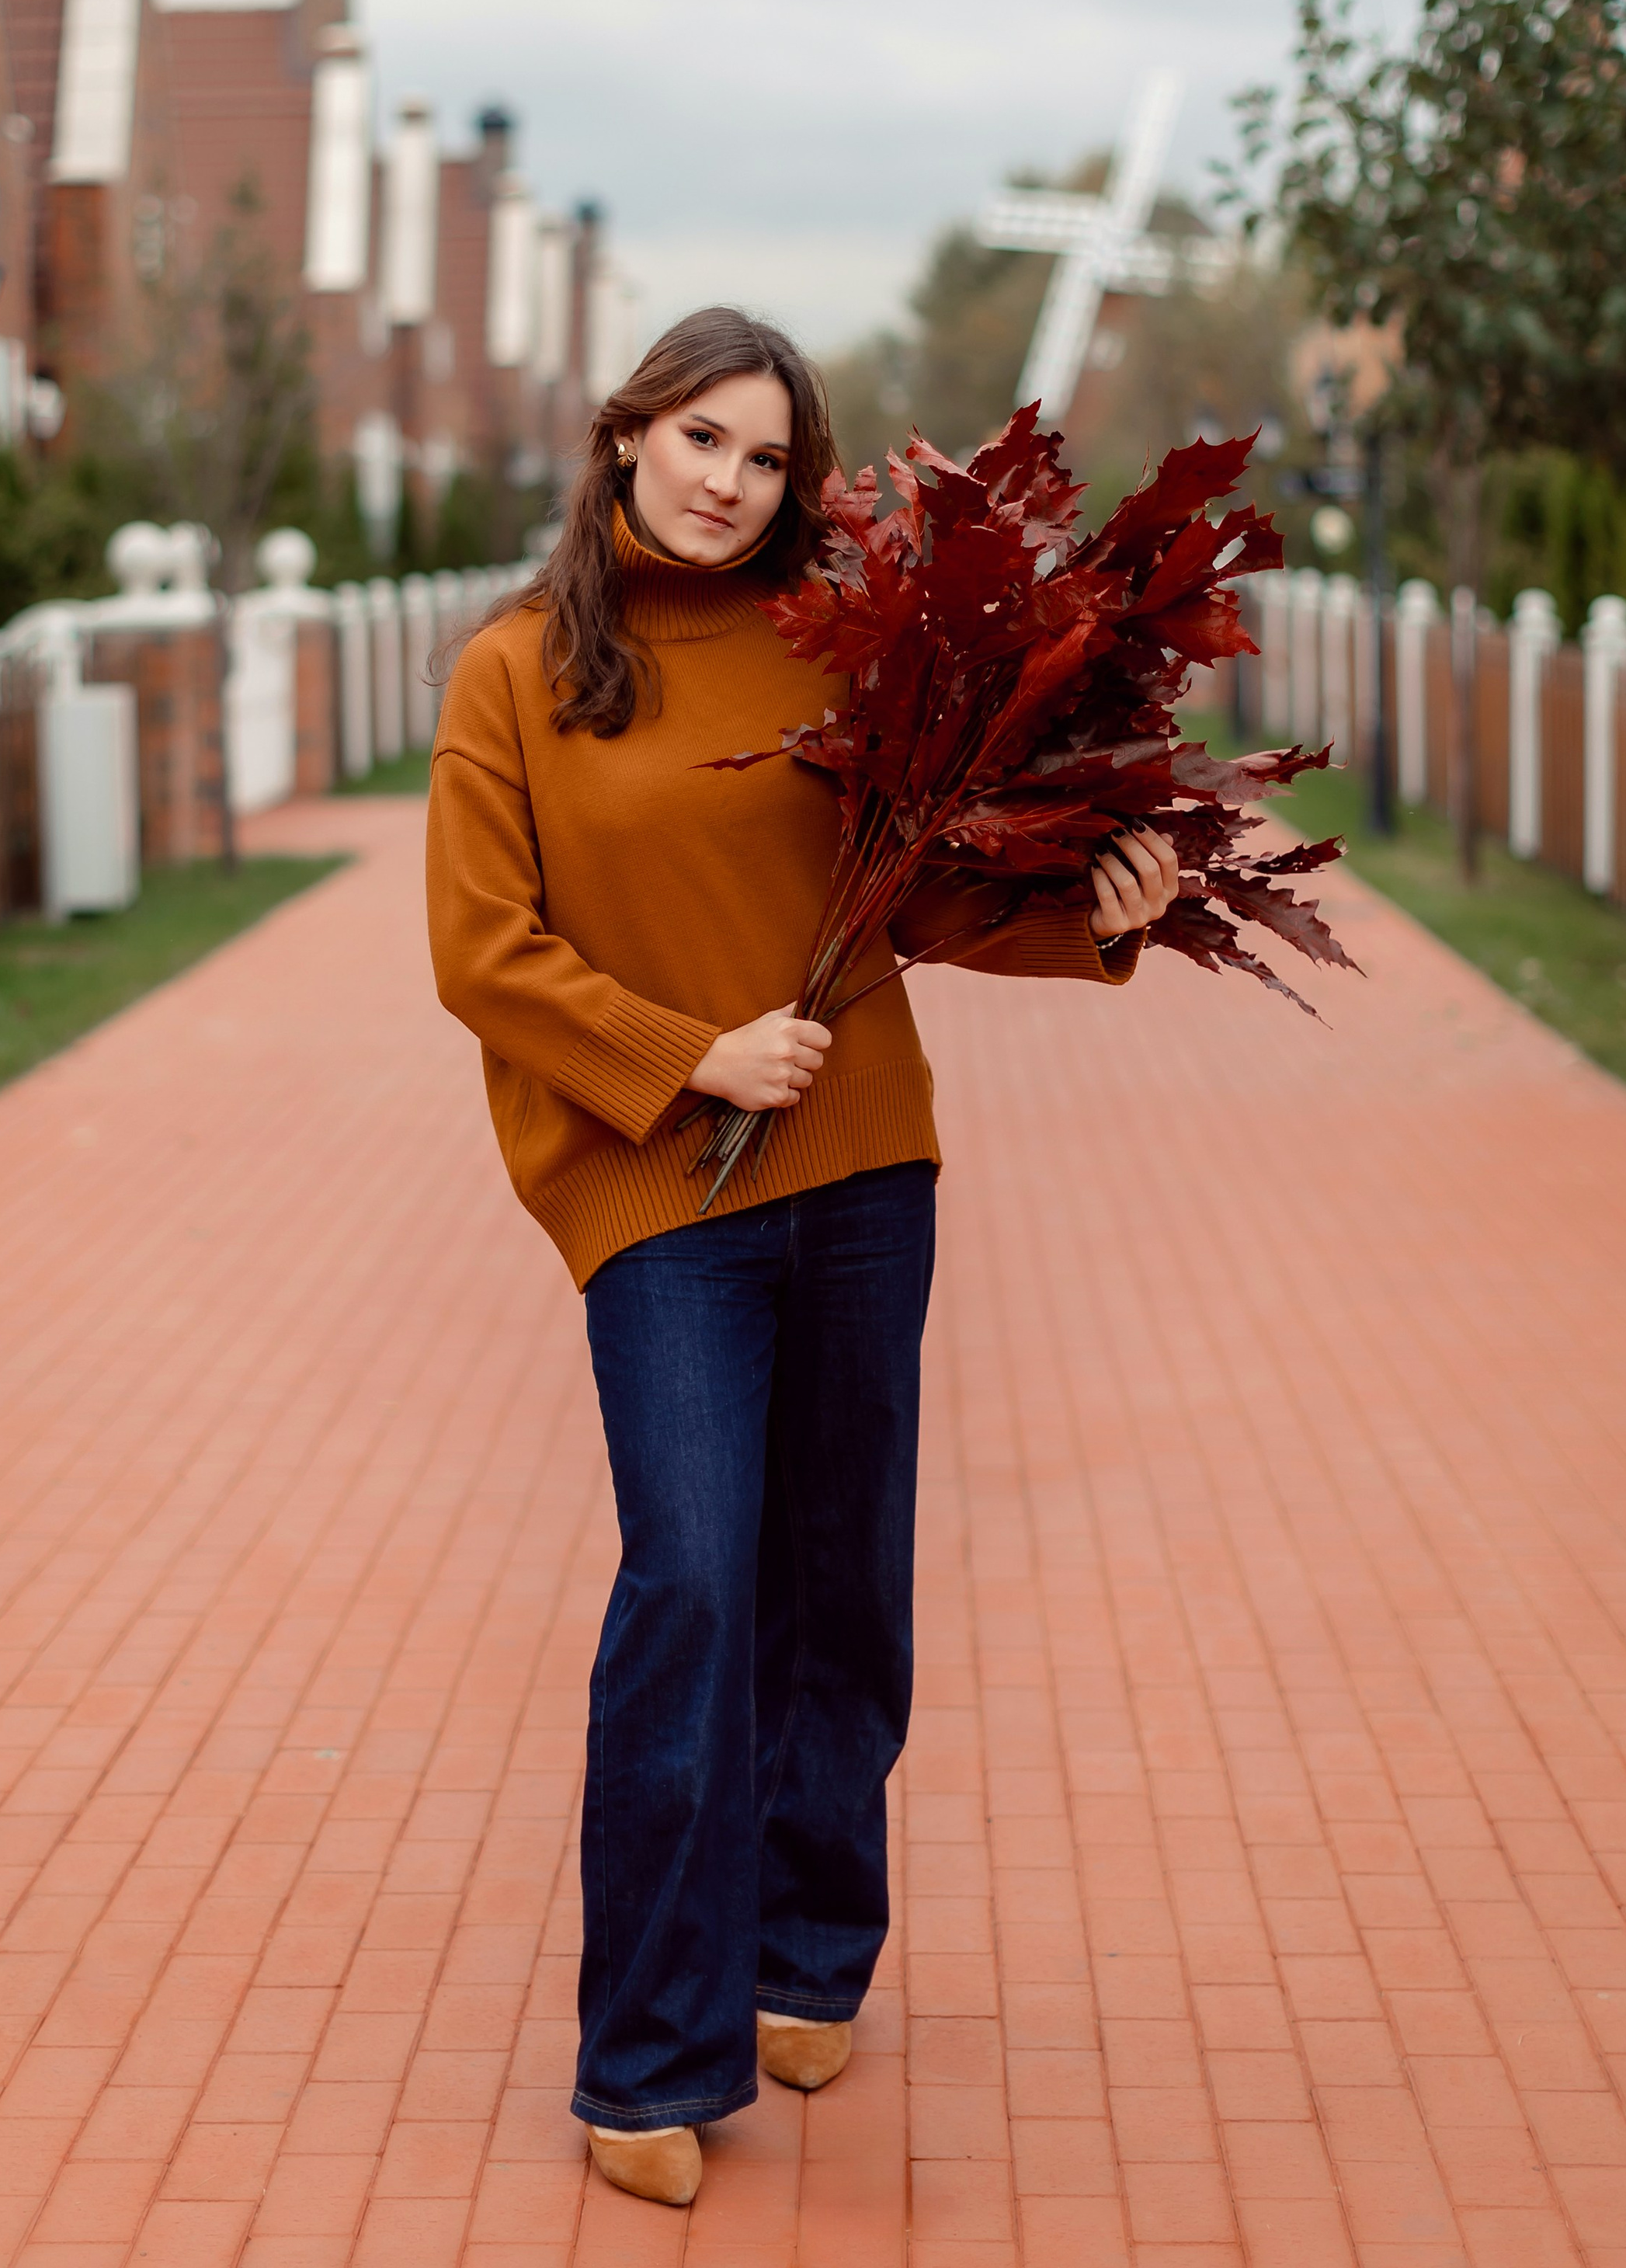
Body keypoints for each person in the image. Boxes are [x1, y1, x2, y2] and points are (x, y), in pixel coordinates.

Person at [426, 308, 1179, 2209]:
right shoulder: (513, 674)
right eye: (698, 440)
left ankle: (802, 1952)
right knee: (691, 1575)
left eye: (764, 460)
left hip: (857, 1164)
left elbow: (907, 885)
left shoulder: (823, 648)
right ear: (622, 441)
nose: (726, 484)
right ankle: (646, 2061)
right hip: (653, 1185)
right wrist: (687, 1056)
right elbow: (481, 953)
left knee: (840, 1577)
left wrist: (1094, 921)